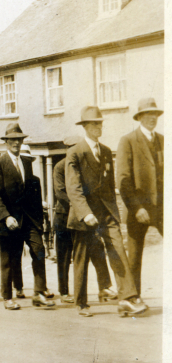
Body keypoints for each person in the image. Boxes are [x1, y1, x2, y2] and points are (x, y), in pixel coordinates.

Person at [66, 106, 147, 317]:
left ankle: (127, 298)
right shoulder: (74, 152)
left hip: (106, 213)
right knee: (82, 258)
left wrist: (114, 211)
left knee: (118, 250)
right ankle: (81, 303)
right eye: (94, 123)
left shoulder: (105, 151)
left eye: (100, 123)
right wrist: (85, 213)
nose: (99, 127)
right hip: (84, 214)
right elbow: (73, 188)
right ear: (85, 127)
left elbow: (110, 186)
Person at [0, 125, 54, 311]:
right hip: (9, 221)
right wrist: (6, 217)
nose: (16, 143)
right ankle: (8, 297)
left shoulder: (26, 162)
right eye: (12, 139)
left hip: (29, 220)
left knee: (39, 250)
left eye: (19, 139)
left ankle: (39, 293)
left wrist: (39, 221)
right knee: (9, 259)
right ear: (6, 142)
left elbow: (31, 193)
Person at [53, 136, 116, 304]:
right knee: (65, 256)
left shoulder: (84, 166)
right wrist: (79, 207)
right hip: (64, 216)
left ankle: (104, 287)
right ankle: (64, 292)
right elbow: (60, 193)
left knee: (97, 249)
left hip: (85, 217)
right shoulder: (60, 167)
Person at [116, 98, 164, 295]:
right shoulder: (128, 140)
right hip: (139, 209)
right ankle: (132, 297)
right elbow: (123, 180)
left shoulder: (163, 140)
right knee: (135, 257)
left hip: (162, 208)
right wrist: (137, 208)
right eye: (147, 114)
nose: (152, 117)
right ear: (140, 117)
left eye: (155, 114)